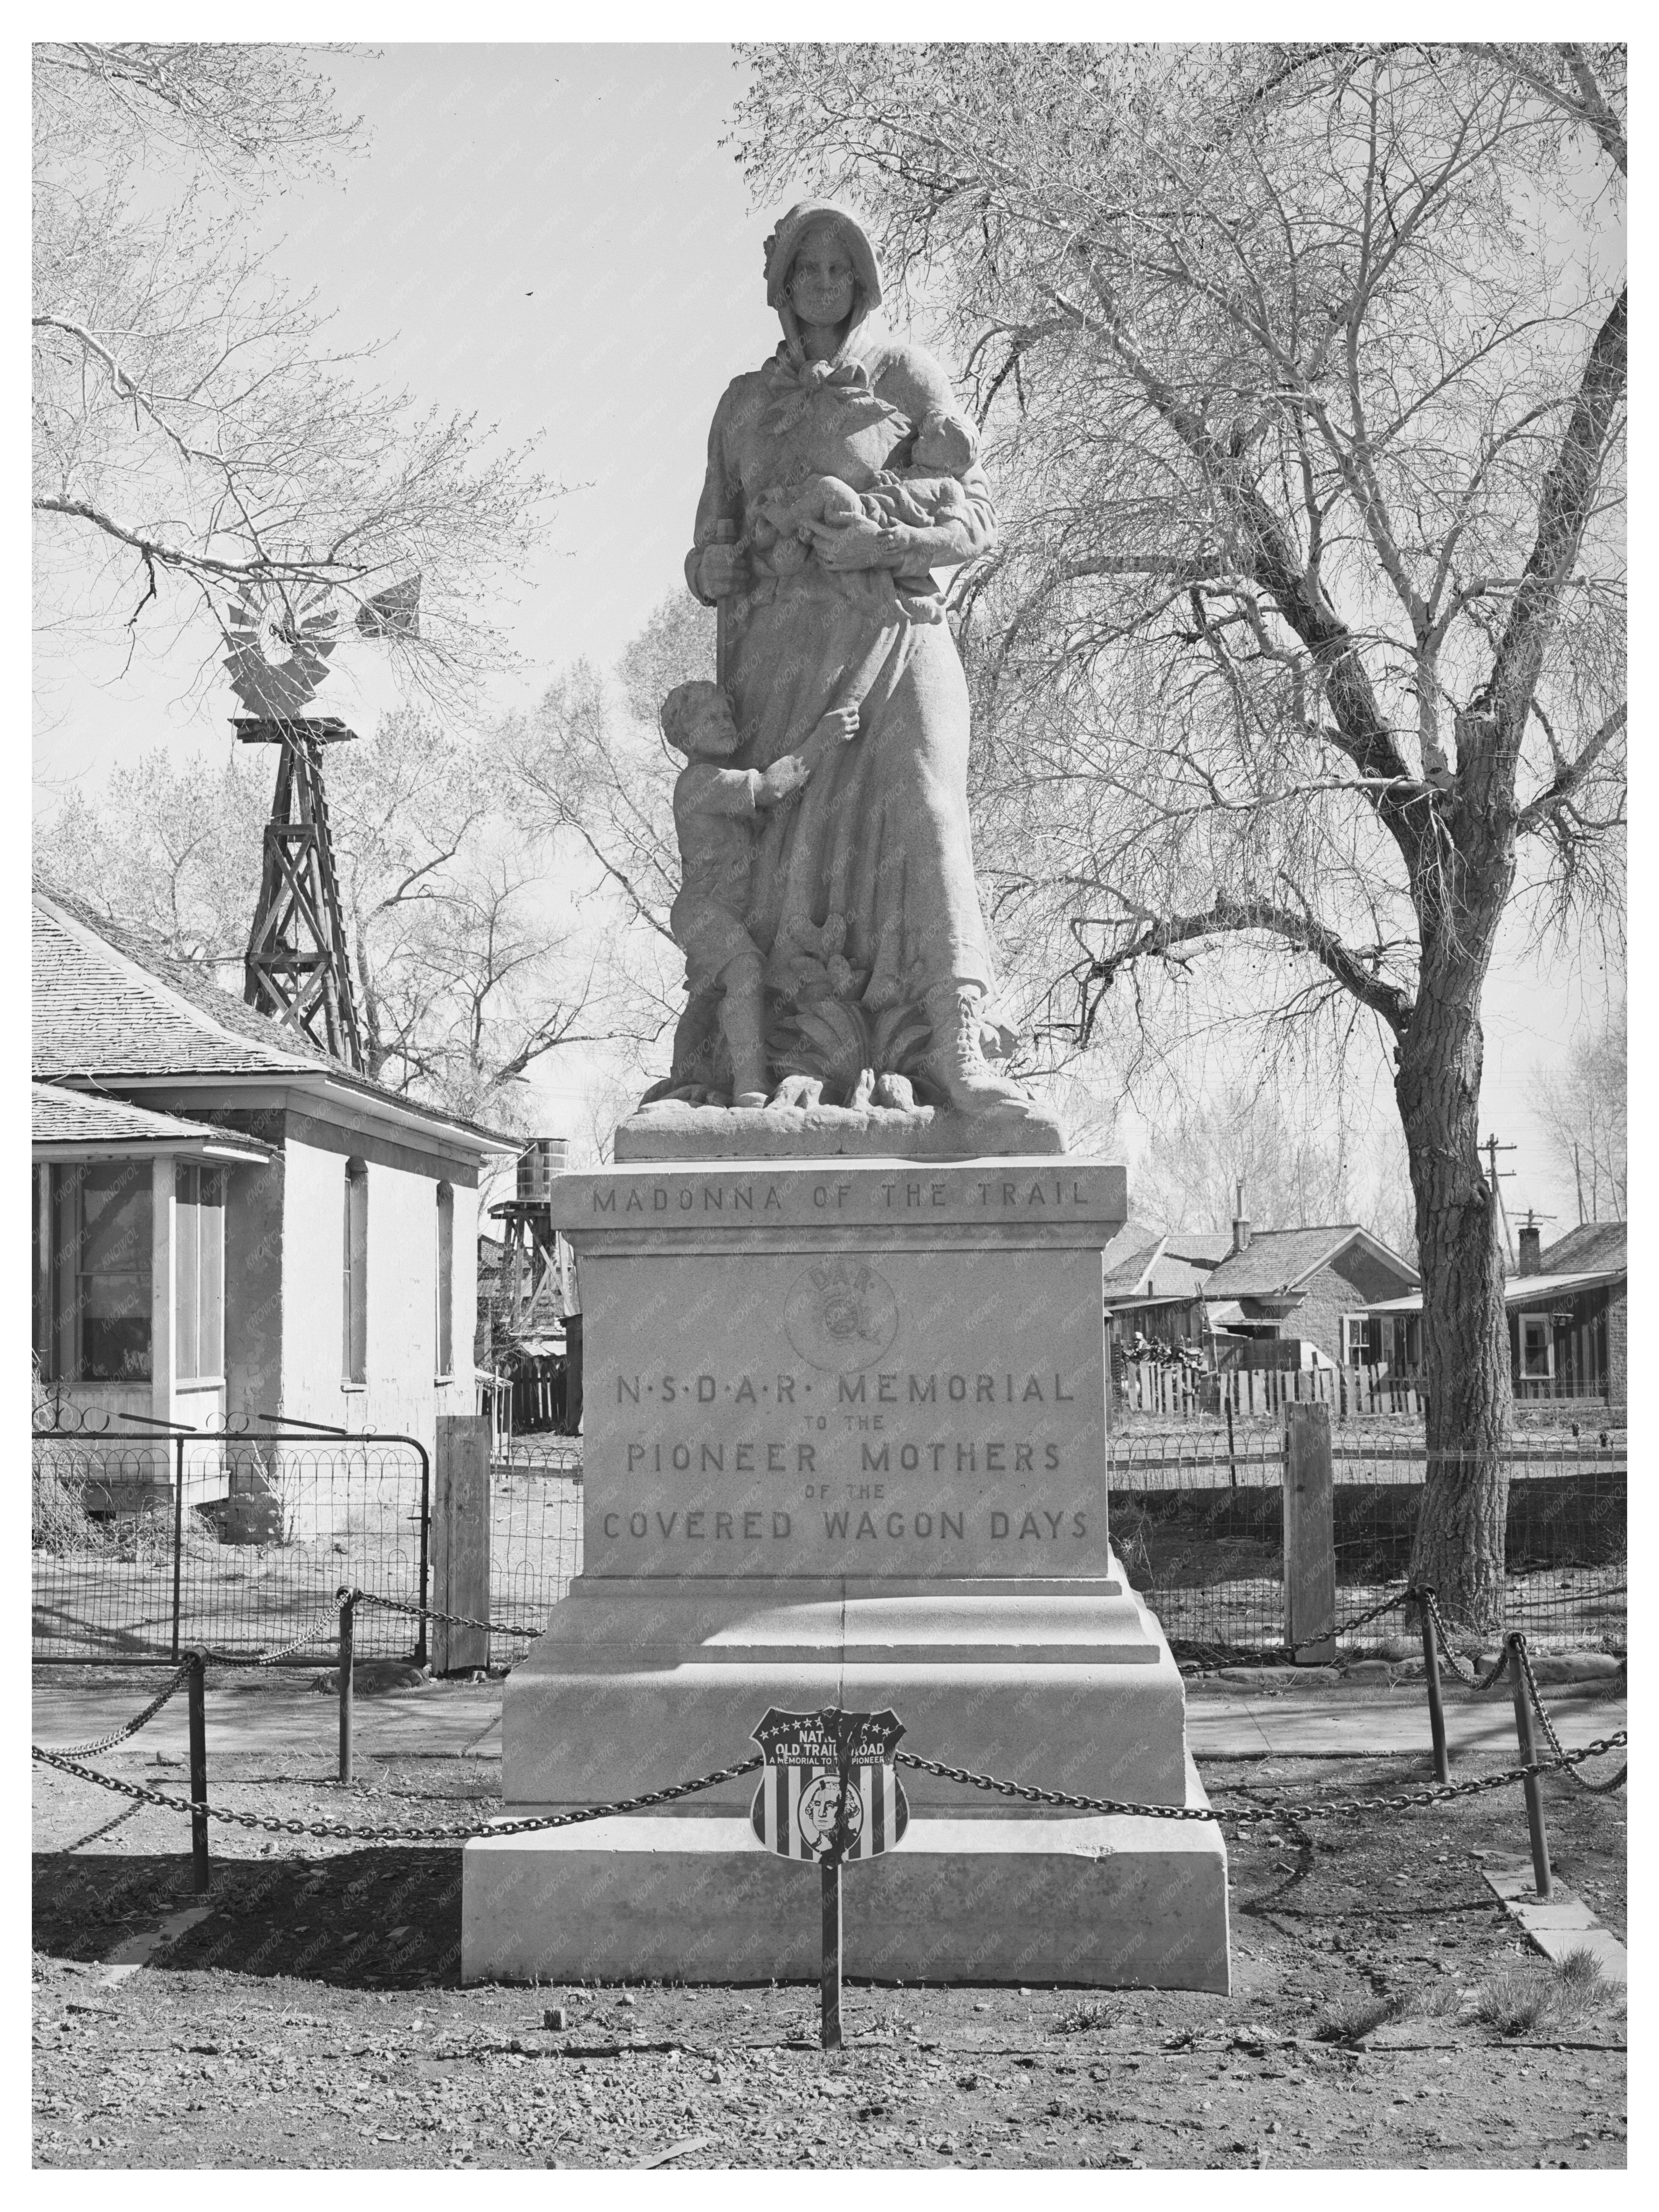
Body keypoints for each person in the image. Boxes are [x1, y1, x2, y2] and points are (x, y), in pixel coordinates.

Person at [675, 200, 1062, 1146]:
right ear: (779, 285)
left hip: (894, 633)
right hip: (778, 662)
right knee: (790, 862)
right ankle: (782, 1052)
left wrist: (883, 538)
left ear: (862, 281)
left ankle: (957, 1038)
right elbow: (706, 545)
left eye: (838, 270)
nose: (821, 286)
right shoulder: (741, 404)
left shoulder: (904, 377)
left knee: (929, 814)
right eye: (805, 270)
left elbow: (975, 521)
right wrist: (710, 566)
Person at [659, 680, 857, 1106]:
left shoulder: (718, 783)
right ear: (684, 735)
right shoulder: (698, 782)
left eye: (727, 716)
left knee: (709, 995)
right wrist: (821, 741)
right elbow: (769, 787)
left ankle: (688, 1076)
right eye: (710, 719)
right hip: (703, 909)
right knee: (744, 972)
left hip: (730, 910)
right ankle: (749, 1085)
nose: (725, 725)